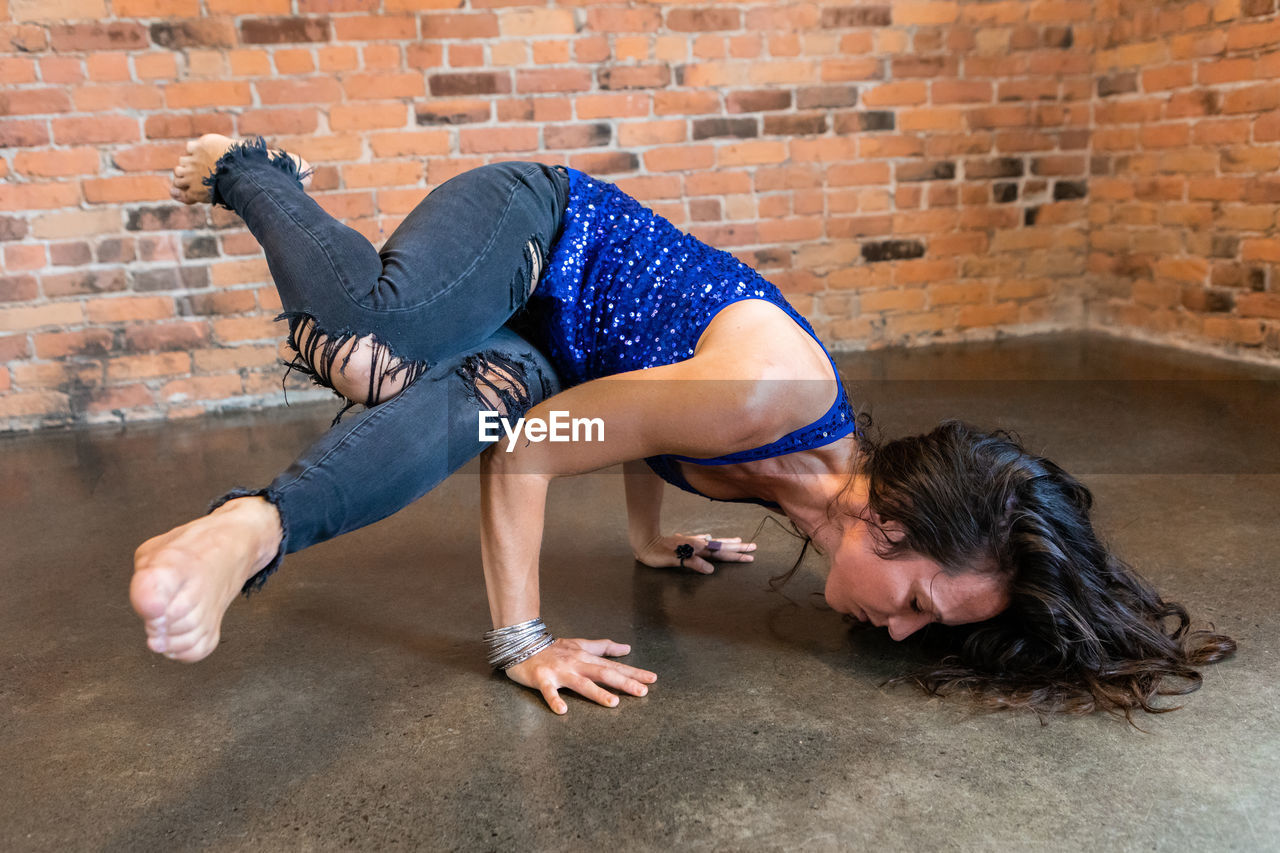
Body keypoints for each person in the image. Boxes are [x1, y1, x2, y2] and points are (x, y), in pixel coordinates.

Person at [130, 135, 1234, 720]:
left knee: (451, 413)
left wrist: (651, 540)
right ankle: (252, 170)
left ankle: (244, 533)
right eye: (913, 608)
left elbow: (623, 409)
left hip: (554, 342)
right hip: (538, 227)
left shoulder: (805, 479)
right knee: (369, 348)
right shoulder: (772, 404)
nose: (898, 633)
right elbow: (539, 454)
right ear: (891, 524)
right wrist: (524, 642)